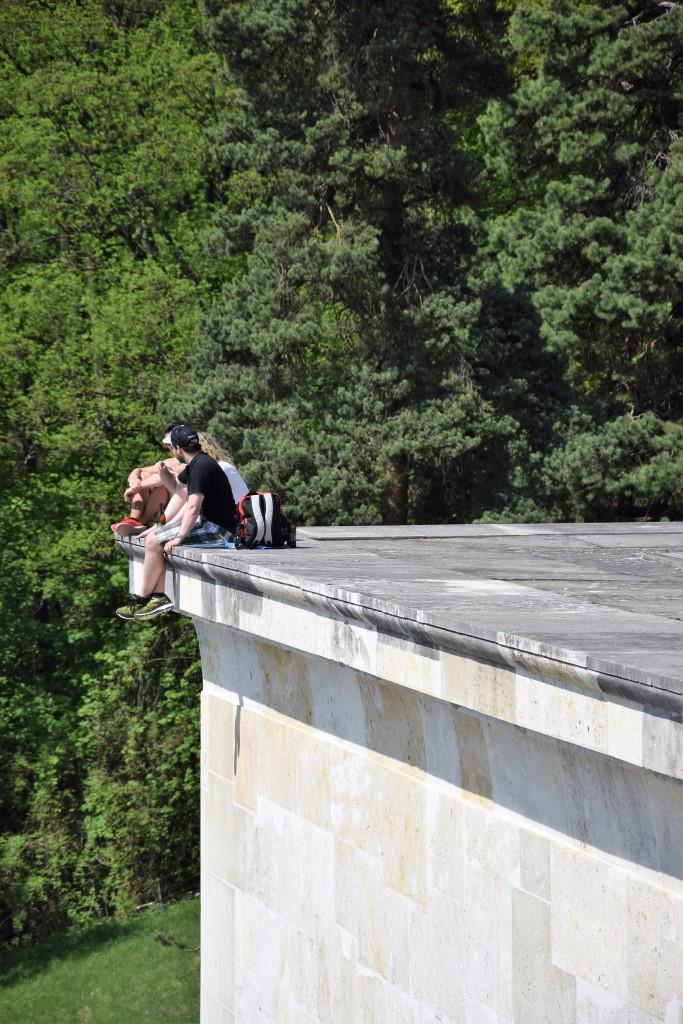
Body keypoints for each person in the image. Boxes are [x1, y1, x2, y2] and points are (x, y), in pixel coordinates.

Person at [115, 424, 237, 621]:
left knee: (155, 541)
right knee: (155, 539)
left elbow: (193, 506)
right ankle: (155, 597)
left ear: (178, 448)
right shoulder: (197, 463)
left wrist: (179, 537)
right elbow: (175, 486)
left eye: (171, 448)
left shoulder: (201, 467)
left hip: (220, 530)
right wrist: (163, 472)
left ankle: (143, 598)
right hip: (209, 523)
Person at [110, 422, 183, 537]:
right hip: (165, 510)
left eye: (171, 443)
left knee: (162, 484)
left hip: (179, 512)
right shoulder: (173, 461)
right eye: (167, 444)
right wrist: (135, 478)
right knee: (143, 475)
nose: (169, 447)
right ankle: (135, 519)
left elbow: (162, 476)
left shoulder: (190, 462)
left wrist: (134, 489)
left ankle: (141, 522)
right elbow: (138, 470)